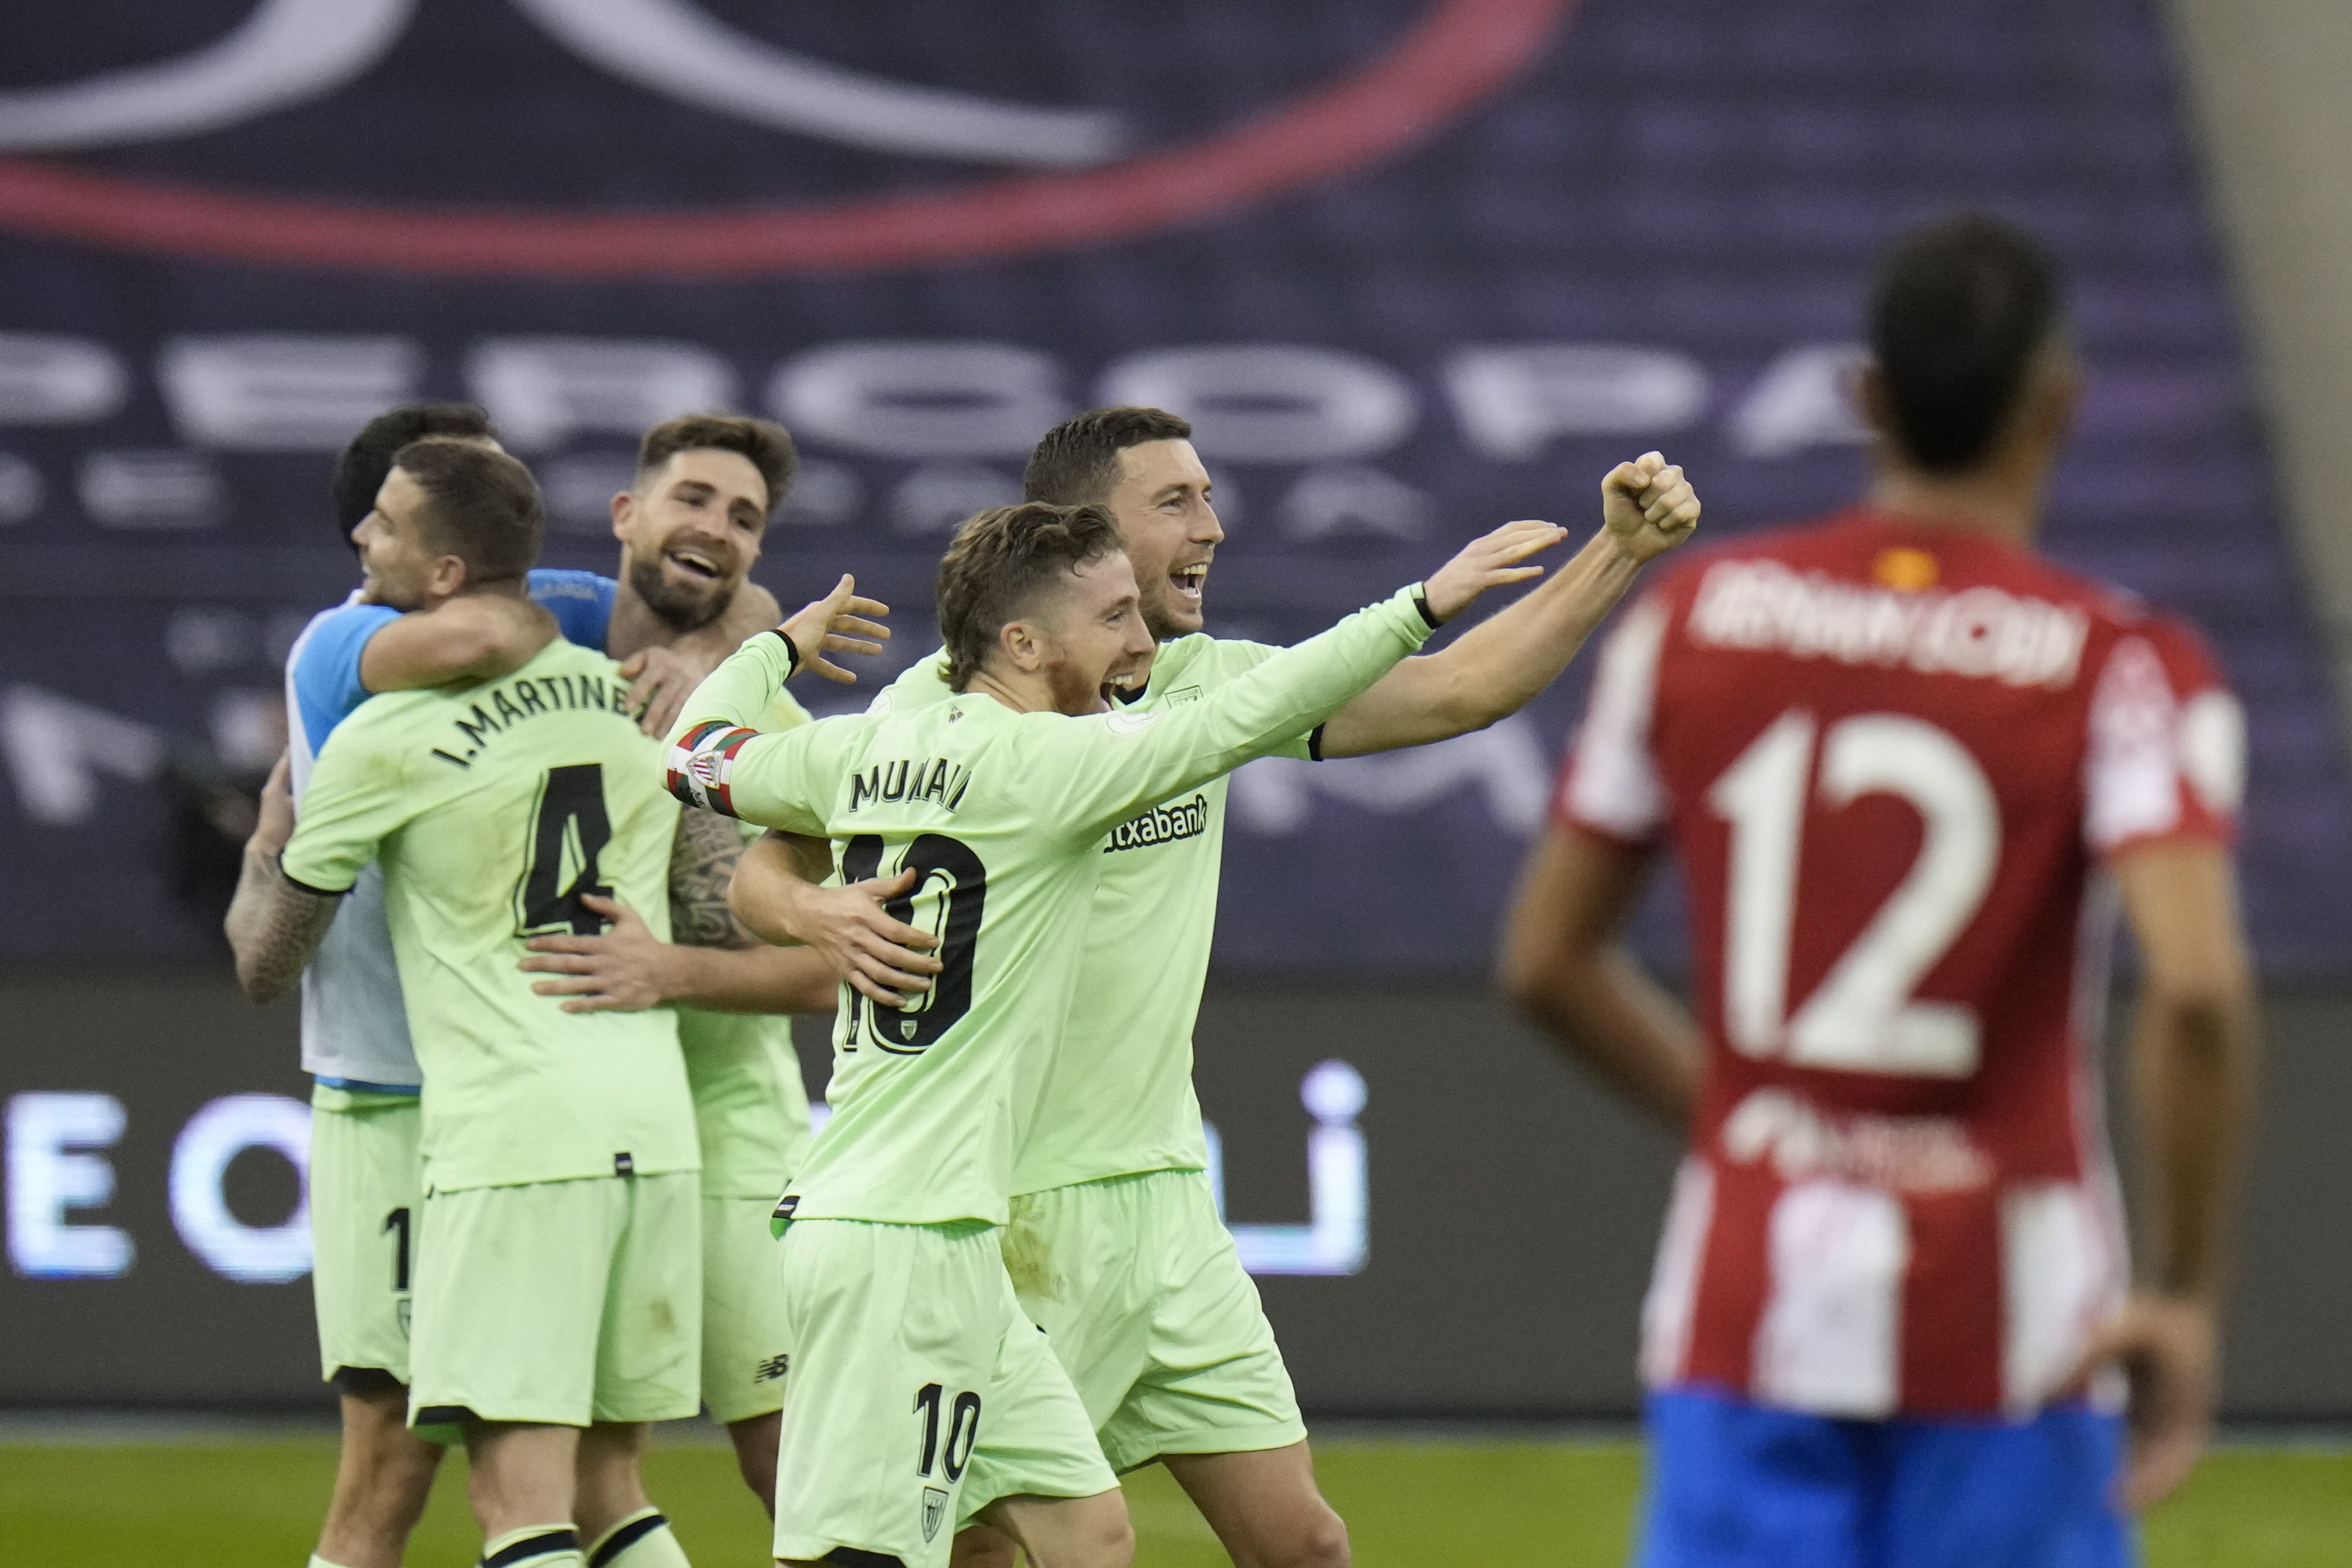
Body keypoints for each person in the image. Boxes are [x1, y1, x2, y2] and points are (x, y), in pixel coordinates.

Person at [730, 407, 1701, 1568]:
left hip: (1169, 1203)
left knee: (1303, 1545)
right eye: (1177, 502)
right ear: (1086, 536)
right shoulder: (939, 718)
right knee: (1010, 1546)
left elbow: (1456, 694)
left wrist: (1617, 555)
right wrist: (812, 911)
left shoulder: (1214, 687)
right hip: (1015, 1209)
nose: (1215, 526)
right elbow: (762, 857)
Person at [1498, 213, 2259, 1568]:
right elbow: (2195, 992)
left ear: (1865, 399)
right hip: (2019, 1325)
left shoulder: (1698, 616)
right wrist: (2187, 1293)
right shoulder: (2121, 660)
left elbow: (1547, 958)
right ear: (2058, 407)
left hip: (1743, 1305)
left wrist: (1745, 1119)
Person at [229, 439, 853, 1568]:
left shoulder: (377, 727)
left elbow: (267, 965)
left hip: (502, 1136)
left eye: (383, 522)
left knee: (511, 1501)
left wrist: (270, 841)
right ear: (611, 522)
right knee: (613, 1484)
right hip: (652, 1122)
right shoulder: (639, 710)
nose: (361, 539)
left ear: (448, 572)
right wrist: (753, 652)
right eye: (693, 499)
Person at [512, 414, 844, 1509]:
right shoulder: (532, 659)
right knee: (576, 1470)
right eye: (693, 499)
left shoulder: (772, 733)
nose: (715, 529)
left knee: (791, 1458)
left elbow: (833, 967)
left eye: (744, 519)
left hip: (726, 1132)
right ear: (628, 514)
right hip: (557, 1122)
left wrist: (670, 974)